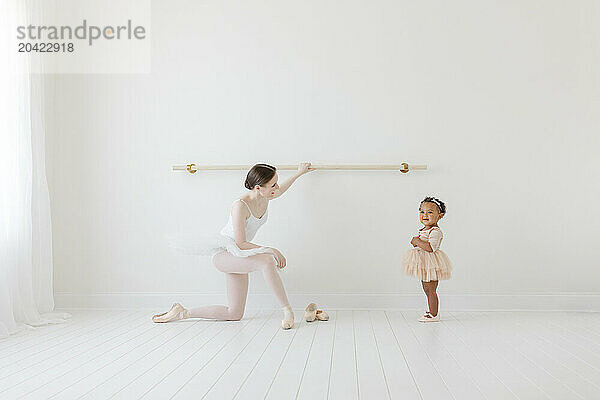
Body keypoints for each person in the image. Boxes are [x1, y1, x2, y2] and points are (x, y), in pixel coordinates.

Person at [153, 162, 314, 329]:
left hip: (238, 254)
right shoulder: (240, 206)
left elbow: (280, 190)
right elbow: (240, 243)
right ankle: (288, 311)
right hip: (225, 254)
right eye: (273, 184)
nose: (277, 187)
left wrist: (299, 173)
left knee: (234, 313)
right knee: (267, 261)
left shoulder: (266, 195)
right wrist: (271, 250)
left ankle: (182, 312)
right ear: (258, 188)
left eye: (276, 182)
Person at [402, 197, 452, 322]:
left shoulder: (435, 231)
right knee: (426, 287)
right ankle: (430, 310)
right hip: (425, 262)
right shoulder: (425, 229)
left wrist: (417, 241)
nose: (425, 215)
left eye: (430, 212)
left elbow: (431, 248)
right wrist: (417, 242)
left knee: (431, 289)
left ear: (439, 216)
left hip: (432, 263)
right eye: (422, 212)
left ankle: (434, 314)